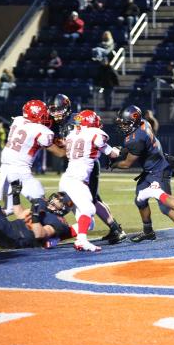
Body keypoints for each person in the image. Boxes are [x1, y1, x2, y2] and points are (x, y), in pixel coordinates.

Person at [110, 105, 174, 247]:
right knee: (140, 199)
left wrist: (114, 164)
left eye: (125, 123)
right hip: (150, 169)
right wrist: (124, 149)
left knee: (165, 207)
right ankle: (148, 232)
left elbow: (127, 164)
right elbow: (139, 146)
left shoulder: (135, 138)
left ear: (133, 122)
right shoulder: (144, 123)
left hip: (159, 171)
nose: (123, 126)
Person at [47, 94, 126, 245]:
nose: (56, 113)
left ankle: (113, 228)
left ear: (67, 107)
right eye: (53, 110)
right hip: (73, 164)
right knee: (88, 199)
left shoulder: (78, 119)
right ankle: (111, 228)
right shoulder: (56, 124)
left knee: (91, 200)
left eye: (59, 109)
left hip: (86, 163)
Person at [0, 186, 76, 269]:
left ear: (64, 208)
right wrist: (16, 195)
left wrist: (36, 217)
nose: (54, 201)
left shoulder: (58, 222)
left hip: (15, 239)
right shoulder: (42, 206)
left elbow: (40, 234)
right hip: (9, 226)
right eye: (55, 198)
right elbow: (20, 215)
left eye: (59, 201)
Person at [59, 110, 120, 252]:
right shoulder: (95, 134)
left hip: (68, 179)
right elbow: (112, 154)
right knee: (89, 208)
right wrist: (118, 150)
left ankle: (54, 238)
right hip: (77, 182)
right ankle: (81, 241)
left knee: (88, 223)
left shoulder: (72, 134)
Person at [0, 100, 66, 215]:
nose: (46, 117)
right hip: (20, 171)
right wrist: (69, 147)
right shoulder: (41, 130)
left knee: (9, 209)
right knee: (42, 203)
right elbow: (60, 153)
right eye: (43, 115)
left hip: (5, 169)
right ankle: (45, 229)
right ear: (35, 114)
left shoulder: (18, 121)